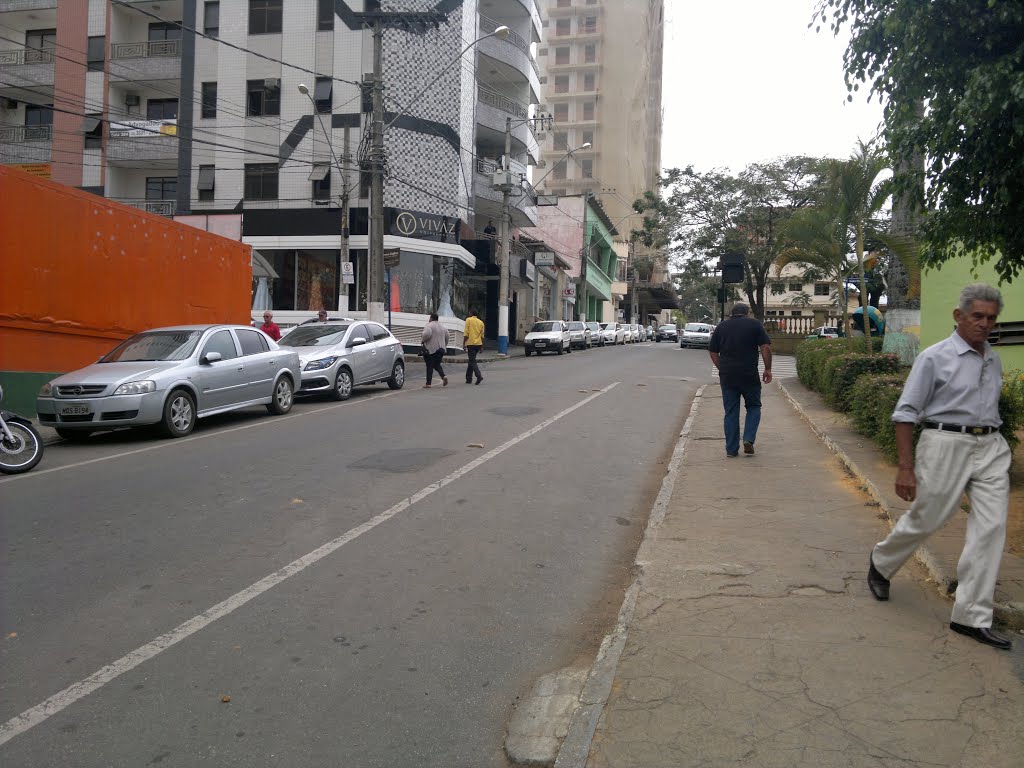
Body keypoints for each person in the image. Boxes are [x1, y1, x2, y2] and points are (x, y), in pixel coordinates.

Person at [868, 284, 1011, 650]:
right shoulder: (935, 357)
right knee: (928, 518)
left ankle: (971, 616)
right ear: (959, 316)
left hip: (991, 445)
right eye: (977, 316)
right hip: (946, 442)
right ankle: (882, 561)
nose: (984, 324)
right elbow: (905, 413)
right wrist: (905, 466)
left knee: (992, 528)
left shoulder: (992, 357)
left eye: (991, 318)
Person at [708, 303, 772, 457]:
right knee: (754, 406)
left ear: (732, 314)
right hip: (749, 375)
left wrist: (722, 368)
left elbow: (713, 351)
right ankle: (748, 438)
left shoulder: (721, 327)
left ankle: (731, 450)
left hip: (728, 376)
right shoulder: (755, 325)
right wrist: (768, 369)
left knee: (731, 412)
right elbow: (765, 347)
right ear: (747, 313)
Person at [420, 312, 449, 388]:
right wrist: (444, 345)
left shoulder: (429, 326)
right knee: (436, 364)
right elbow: (447, 336)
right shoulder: (443, 327)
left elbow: (426, 334)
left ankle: (428, 383)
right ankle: (443, 376)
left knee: (429, 365)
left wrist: (422, 340)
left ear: (431, 318)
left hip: (432, 349)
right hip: (441, 349)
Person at [463, 307, 485, 385]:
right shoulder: (481, 322)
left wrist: (464, 343)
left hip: (471, 343)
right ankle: (468, 378)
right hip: (478, 344)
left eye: (469, 313)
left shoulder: (468, 320)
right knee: (471, 360)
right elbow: (482, 336)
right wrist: (482, 346)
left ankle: (478, 375)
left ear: (471, 314)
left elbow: (466, 333)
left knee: (472, 361)